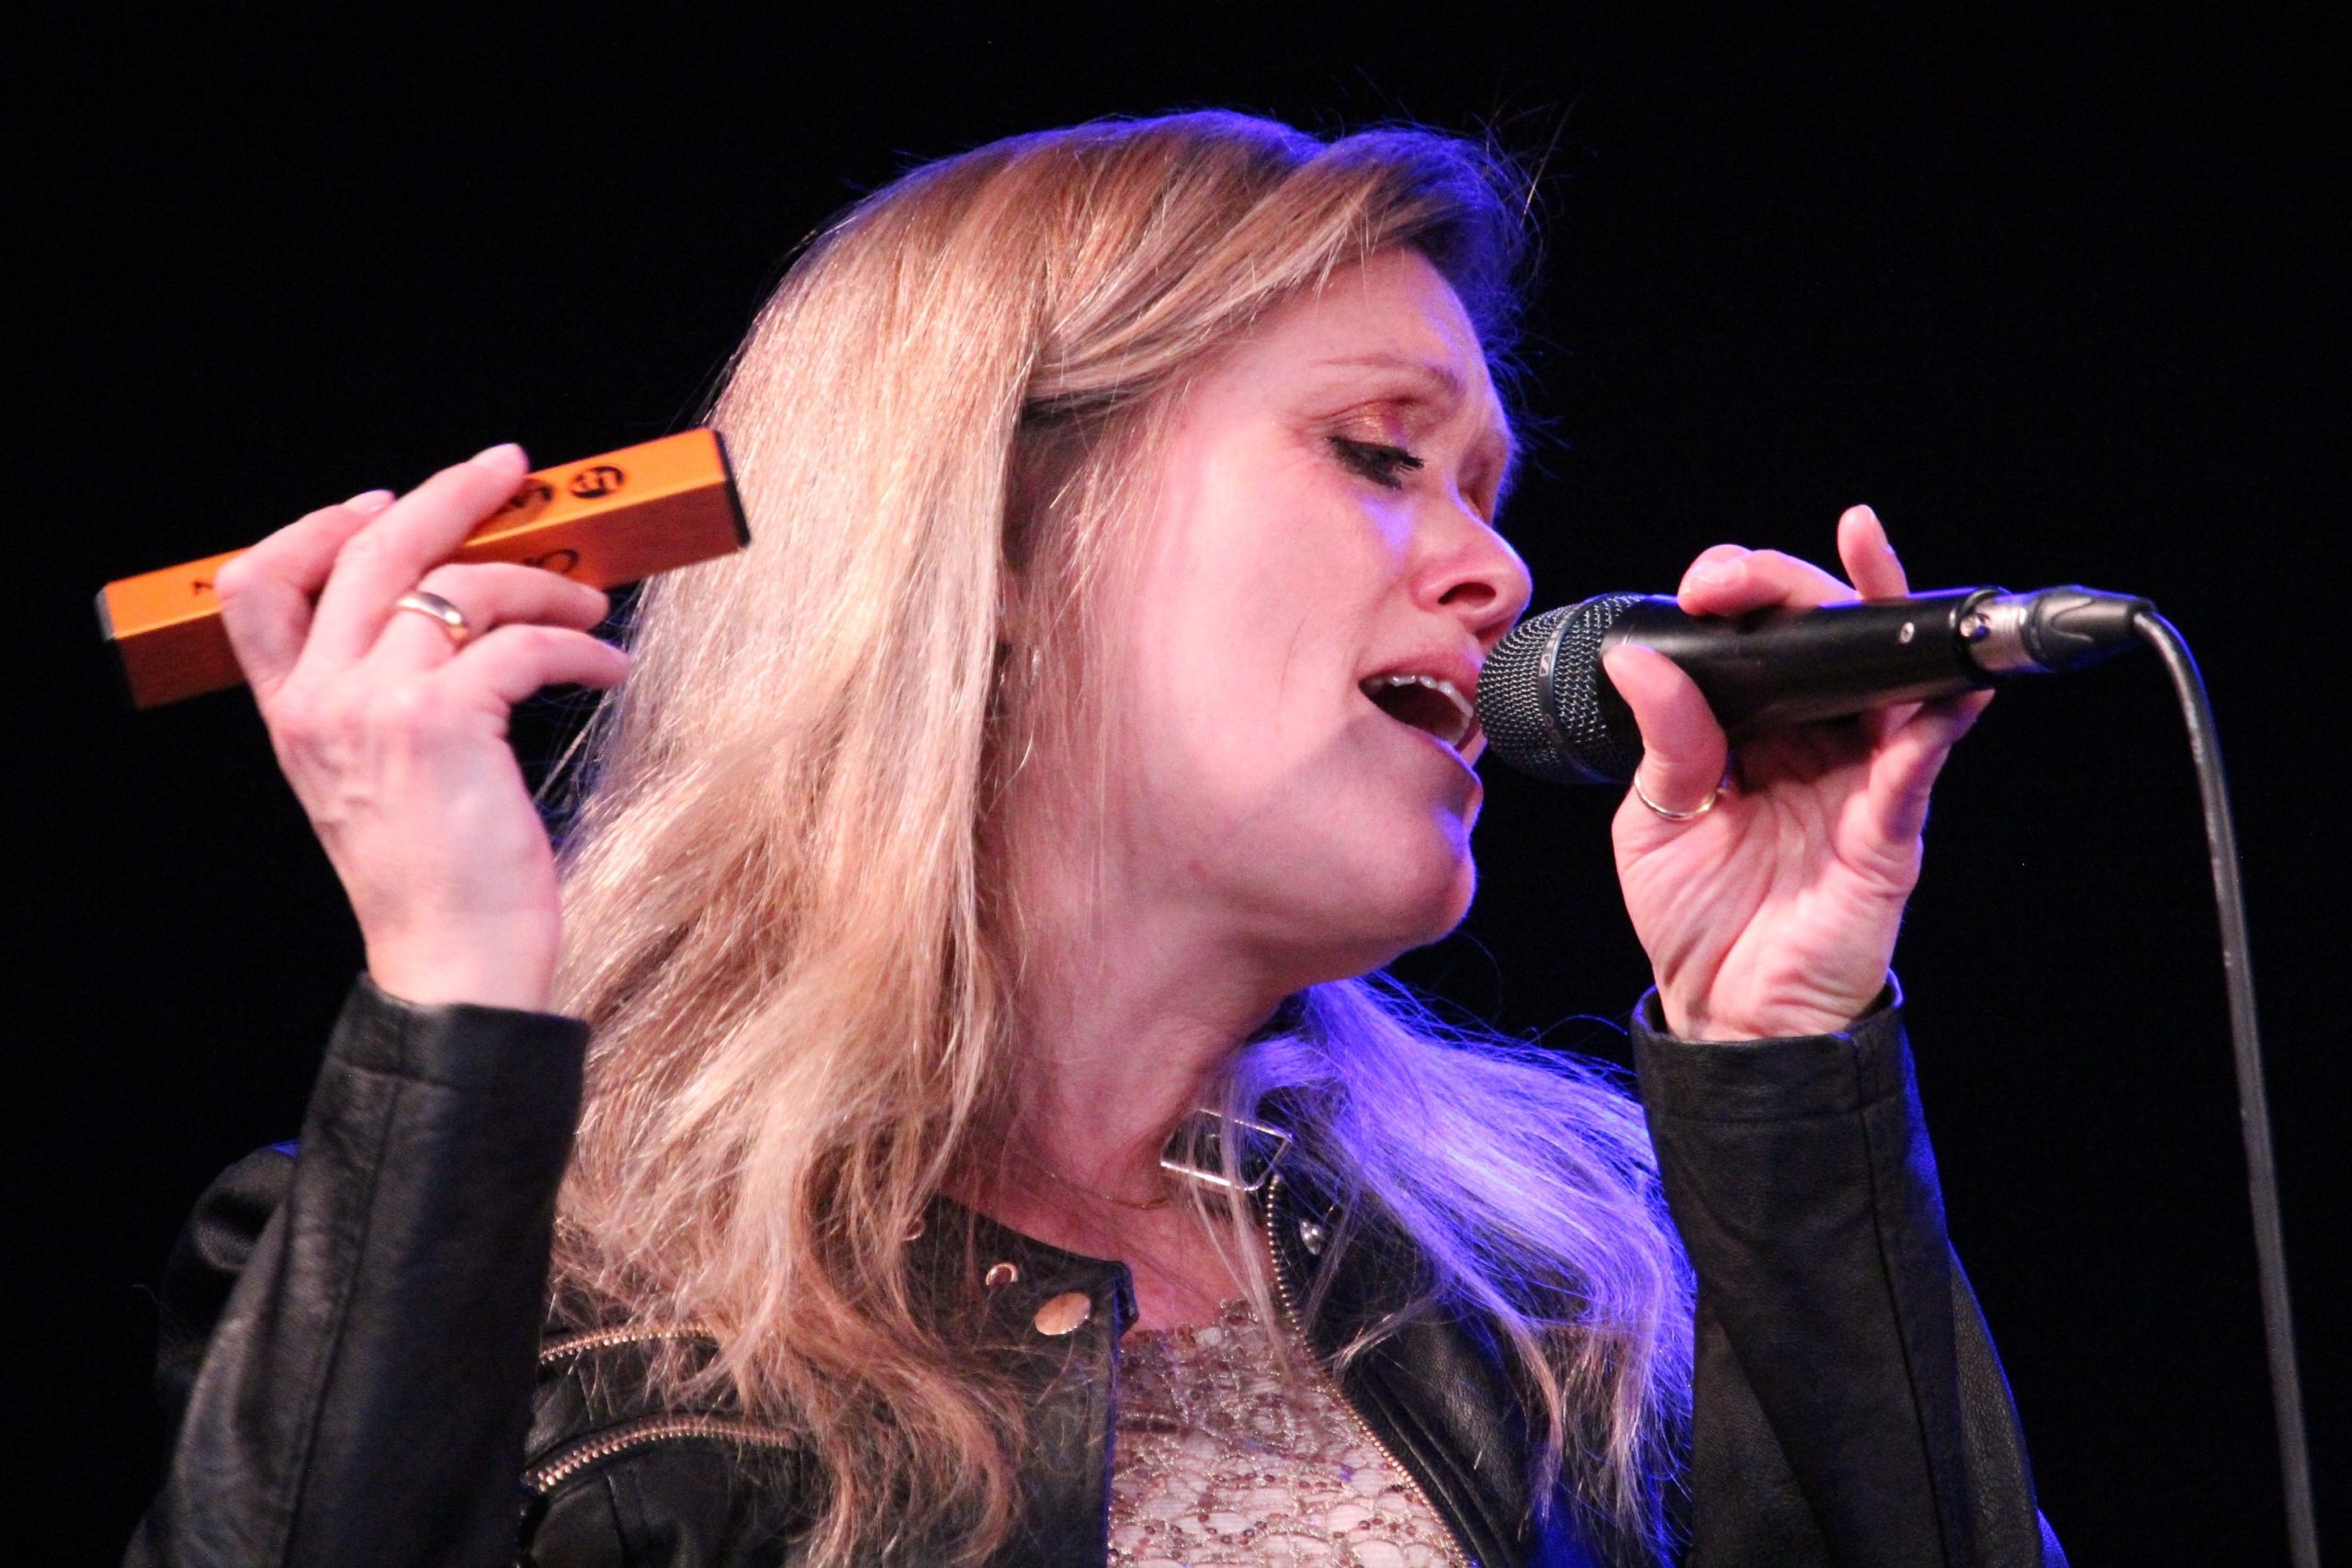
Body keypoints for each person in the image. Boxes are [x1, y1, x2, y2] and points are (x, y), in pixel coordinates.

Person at [125, 112, 2064, 1567]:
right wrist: (461, 1004)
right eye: (1379, 454)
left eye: (1489, 489)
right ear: (1000, 529)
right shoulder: (535, 1272)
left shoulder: (1562, 1278)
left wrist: (1783, 1057)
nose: (1497, 569)